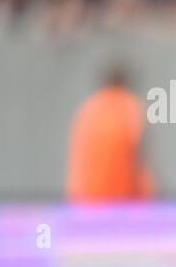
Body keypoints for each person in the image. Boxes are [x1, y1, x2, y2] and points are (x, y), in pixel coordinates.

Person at [65, 65, 154, 203]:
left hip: (85, 196)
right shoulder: (129, 106)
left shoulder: (88, 108)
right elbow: (139, 154)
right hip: (120, 198)